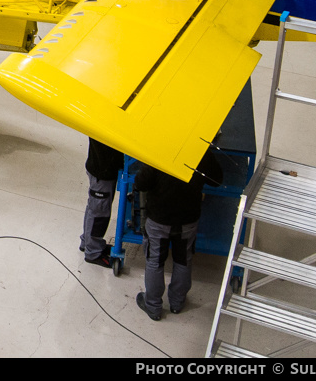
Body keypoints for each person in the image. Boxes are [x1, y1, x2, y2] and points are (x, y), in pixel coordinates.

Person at [133, 145, 224, 320]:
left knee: (155, 261)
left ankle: (152, 305)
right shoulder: (201, 151)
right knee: (183, 259)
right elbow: (216, 180)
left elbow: (140, 183)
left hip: (159, 219)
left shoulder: (160, 149)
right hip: (188, 219)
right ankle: (177, 302)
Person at [81, 137, 124, 268]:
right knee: (99, 213)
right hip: (102, 170)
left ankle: (87, 242)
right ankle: (93, 252)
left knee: (94, 208)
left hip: (100, 167)